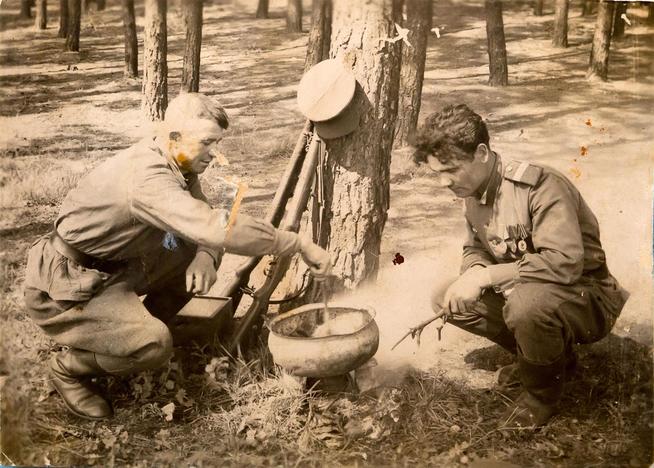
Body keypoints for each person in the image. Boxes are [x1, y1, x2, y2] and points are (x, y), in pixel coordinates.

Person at [23, 93, 332, 421]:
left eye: (217, 142)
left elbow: (206, 221)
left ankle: (125, 334)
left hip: (116, 269)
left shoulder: (177, 161)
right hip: (70, 285)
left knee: (187, 250)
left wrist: (203, 255)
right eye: (207, 142)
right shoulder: (148, 177)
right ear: (174, 137)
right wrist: (295, 243)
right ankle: (69, 369)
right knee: (155, 344)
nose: (214, 154)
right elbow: (216, 228)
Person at [409, 104, 629, 428]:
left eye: (450, 169)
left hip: (587, 296)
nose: (444, 183)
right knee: (447, 296)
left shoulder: (539, 186)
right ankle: (548, 359)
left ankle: (541, 395)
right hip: (536, 296)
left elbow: (565, 263)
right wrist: (472, 273)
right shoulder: (473, 192)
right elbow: (474, 248)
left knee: (526, 306)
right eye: (436, 173)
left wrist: (486, 276)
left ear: (481, 152)